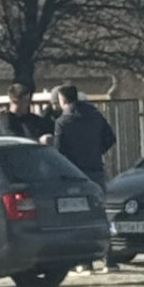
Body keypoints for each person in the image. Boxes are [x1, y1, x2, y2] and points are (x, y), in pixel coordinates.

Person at [51, 85, 117, 273]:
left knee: (79, 217)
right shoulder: (95, 116)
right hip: (96, 170)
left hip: (75, 174)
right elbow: (110, 138)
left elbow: (59, 153)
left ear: (63, 99)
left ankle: (85, 262)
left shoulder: (63, 122)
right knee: (100, 214)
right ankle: (109, 259)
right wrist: (96, 152)